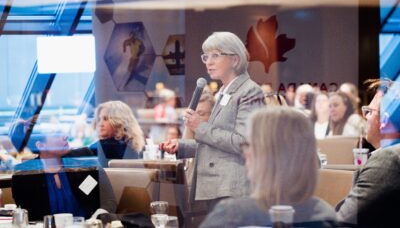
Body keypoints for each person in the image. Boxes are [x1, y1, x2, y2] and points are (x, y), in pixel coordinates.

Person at [163, 32, 265, 211]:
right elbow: (217, 144)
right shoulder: (224, 91)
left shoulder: (249, 91)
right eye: (206, 56)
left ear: (234, 59)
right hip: (219, 186)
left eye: (215, 55)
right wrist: (183, 146)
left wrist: (200, 127)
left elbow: (244, 143)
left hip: (235, 189)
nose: (208, 62)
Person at [200, 107, 338, 227]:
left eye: (248, 144)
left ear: (265, 156)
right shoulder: (326, 214)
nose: (245, 152)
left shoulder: (232, 215)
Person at [336, 79, 400, 227]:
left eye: (369, 112)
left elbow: (342, 221)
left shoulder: (388, 159)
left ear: (384, 119)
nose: (365, 116)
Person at [12, 132, 117, 221]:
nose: (65, 137)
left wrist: (97, 220)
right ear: (40, 145)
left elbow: (108, 200)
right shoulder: (24, 174)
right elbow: (29, 218)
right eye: (57, 135)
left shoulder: (84, 159)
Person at [92, 101, 145, 168]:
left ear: (119, 122)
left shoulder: (110, 145)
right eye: (99, 119)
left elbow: (86, 152)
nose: (100, 124)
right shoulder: (131, 143)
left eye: (105, 119)